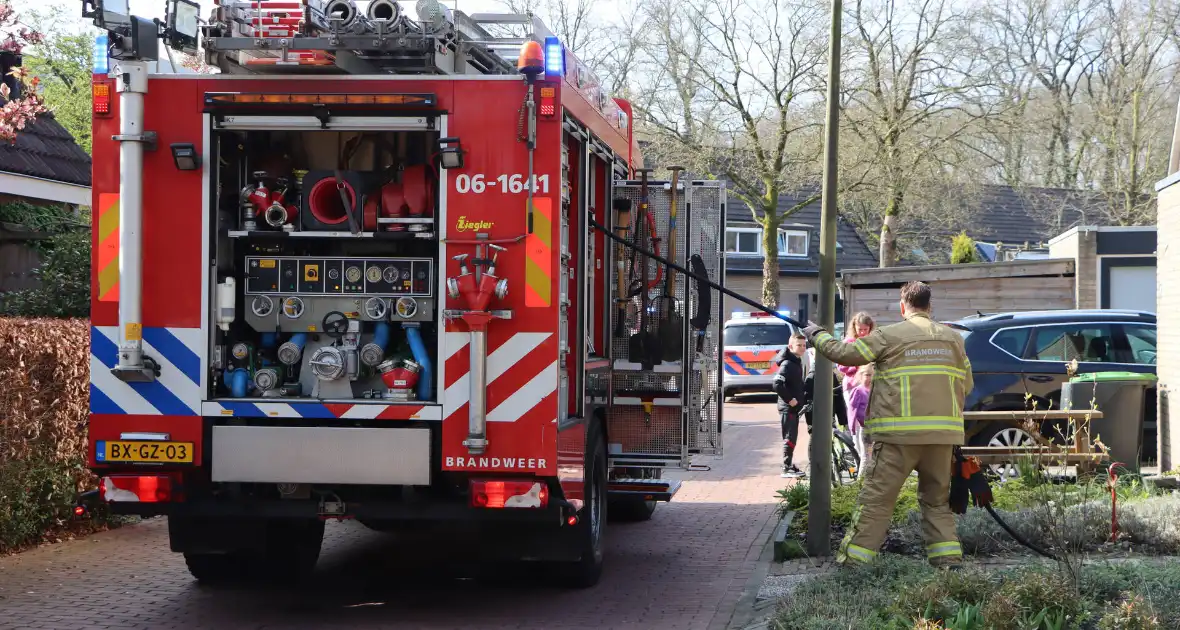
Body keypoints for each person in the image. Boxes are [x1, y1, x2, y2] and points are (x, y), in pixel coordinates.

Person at [802, 281, 973, 568]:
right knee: (936, 502)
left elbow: (845, 355)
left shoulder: (890, 336)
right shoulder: (954, 339)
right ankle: (948, 563)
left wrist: (817, 334)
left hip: (897, 438)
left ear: (902, 306)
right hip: (942, 438)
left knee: (877, 502)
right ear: (930, 307)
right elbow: (966, 385)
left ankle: (853, 564)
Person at [839, 312, 876, 465]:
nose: (862, 332)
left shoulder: (872, 342)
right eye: (859, 329)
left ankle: (867, 453)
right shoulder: (849, 343)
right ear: (854, 327)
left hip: (868, 384)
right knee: (855, 416)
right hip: (853, 385)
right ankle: (860, 453)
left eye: (865, 330)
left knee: (867, 418)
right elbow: (841, 366)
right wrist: (857, 367)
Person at [773, 332, 809, 478]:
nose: (802, 348)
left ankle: (789, 465)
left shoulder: (796, 361)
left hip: (793, 408)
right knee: (789, 437)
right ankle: (786, 467)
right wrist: (790, 400)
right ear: (790, 346)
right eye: (799, 345)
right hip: (788, 408)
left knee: (792, 437)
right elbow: (777, 384)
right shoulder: (787, 364)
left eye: (804, 345)